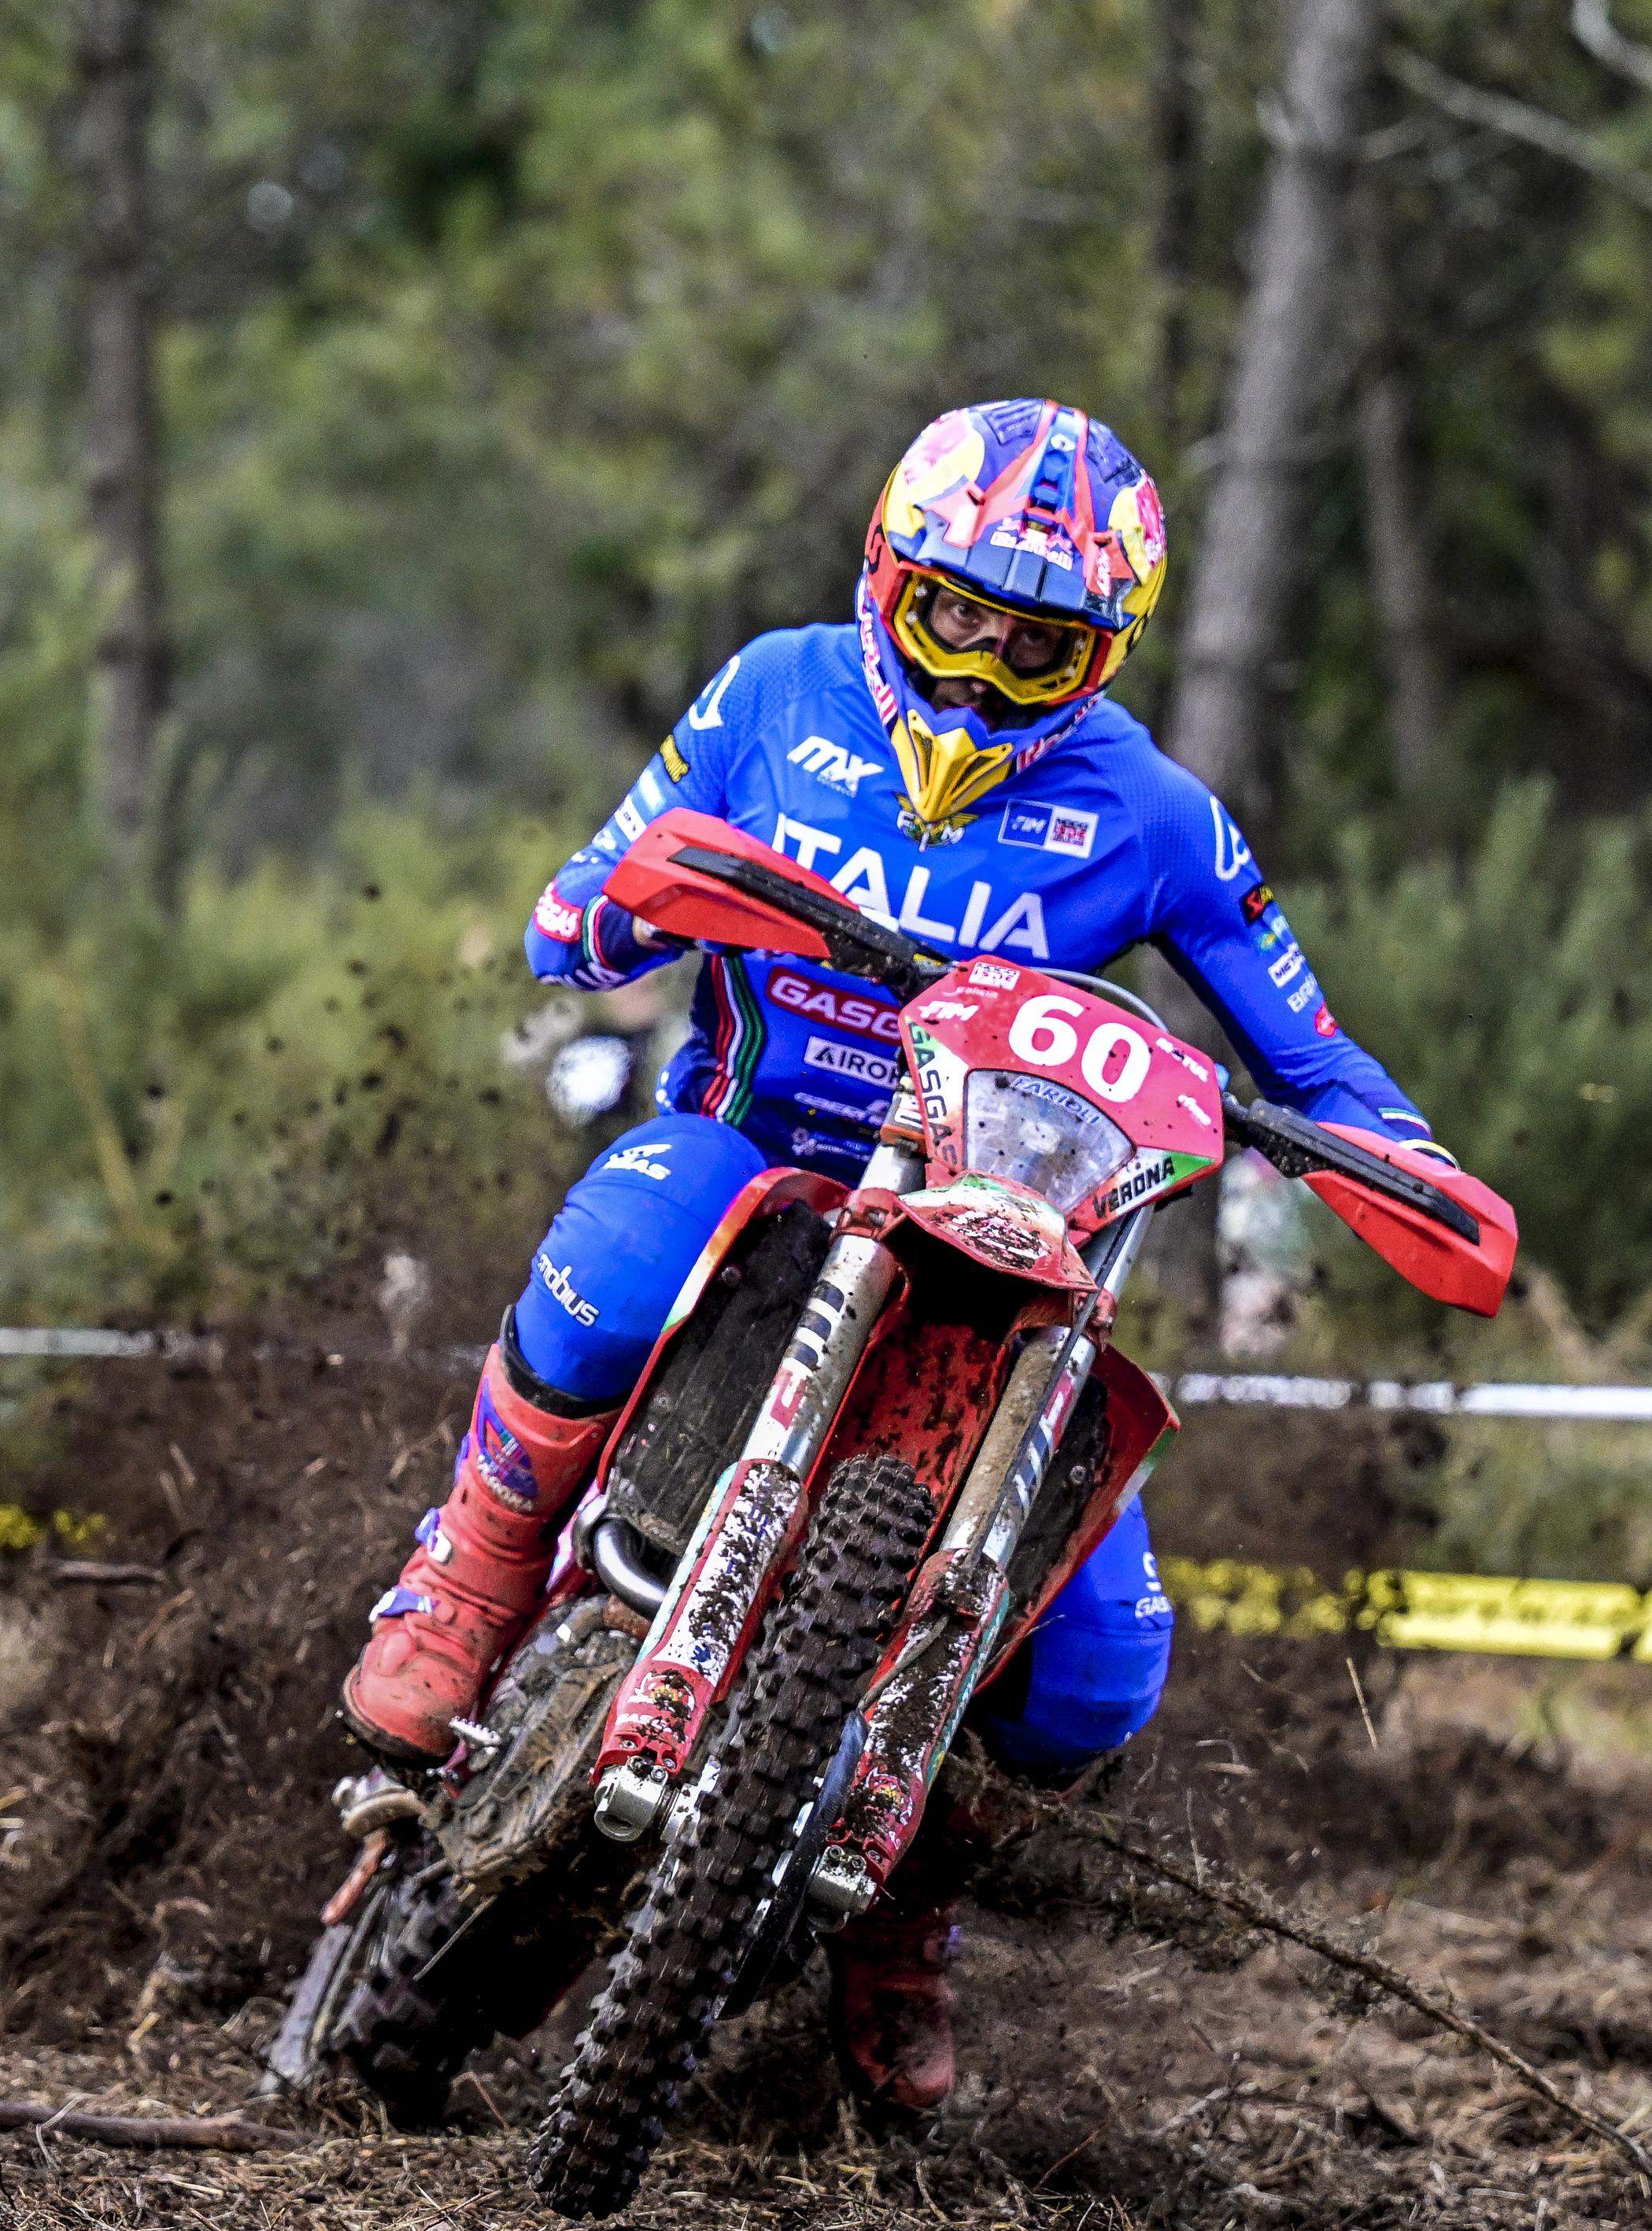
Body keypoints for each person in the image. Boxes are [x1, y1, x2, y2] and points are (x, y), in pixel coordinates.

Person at [342, 397, 1449, 2109]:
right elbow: (585, 900)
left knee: (1098, 1673)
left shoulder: (1153, 813)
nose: (986, 670)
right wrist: (627, 903)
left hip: (1001, 1257)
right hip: (759, 1166)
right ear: (887, 577)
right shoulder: (773, 691)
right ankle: (470, 1577)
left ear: (1104, 653)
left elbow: (1307, 1050)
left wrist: (1409, 1161)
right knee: (622, 1247)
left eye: (1039, 645)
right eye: (955, 617)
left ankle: (904, 1907)